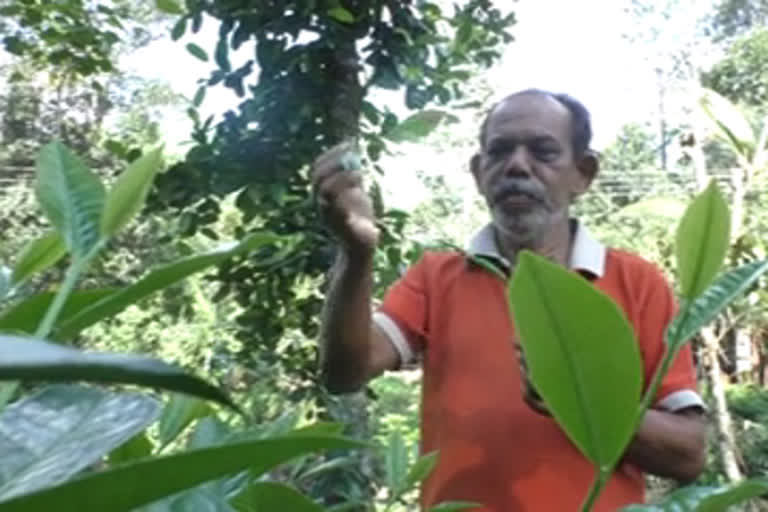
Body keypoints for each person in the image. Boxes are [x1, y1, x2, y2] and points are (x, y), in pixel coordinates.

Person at [311, 89, 707, 511]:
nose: (517, 165)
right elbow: (344, 372)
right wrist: (357, 252)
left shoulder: (637, 283)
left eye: (543, 151)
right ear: (480, 172)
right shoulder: (435, 277)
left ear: (583, 173)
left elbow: (688, 454)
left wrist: (578, 398)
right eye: (499, 151)